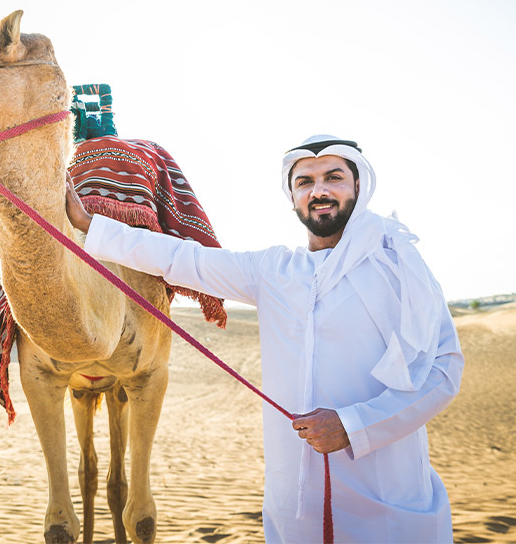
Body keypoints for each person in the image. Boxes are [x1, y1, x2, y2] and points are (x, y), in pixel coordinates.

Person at [65, 134, 464, 543]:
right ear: (292, 198)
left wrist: (353, 426)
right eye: (304, 182)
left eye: (333, 177)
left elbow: (444, 369)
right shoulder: (275, 271)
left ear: (358, 186)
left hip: (388, 507)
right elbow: (180, 258)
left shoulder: (398, 265)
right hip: (296, 510)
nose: (320, 191)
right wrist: (87, 224)